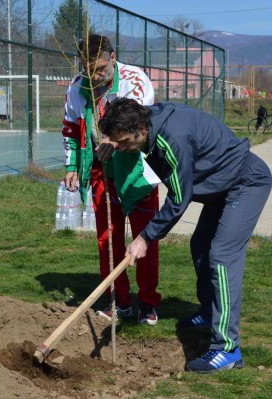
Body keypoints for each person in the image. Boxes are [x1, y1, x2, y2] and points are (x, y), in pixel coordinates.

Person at [97, 98, 272, 374]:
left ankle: (227, 348)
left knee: (222, 256)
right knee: (200, 245)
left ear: (141, 127)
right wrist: (111, 141)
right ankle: (209, 312)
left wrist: (144, 238)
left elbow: (180, 198)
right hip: (221, 187)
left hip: (244, 182)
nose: (122, 148)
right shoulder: (148, 123)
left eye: (124, 142)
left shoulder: (172, 139)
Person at [61, 34, 161, 325]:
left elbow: (139, 125)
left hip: (137, 169)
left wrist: (113, 142)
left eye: (101, 68)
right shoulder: (77, 87)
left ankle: (148, 301)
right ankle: (119, 299)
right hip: (101, 170)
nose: (94, 75)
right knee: (108, 237)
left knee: (145, 236)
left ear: (113, 58)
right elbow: (70, 127)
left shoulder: (135, 79)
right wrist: (72, 165)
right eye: (88, 68)